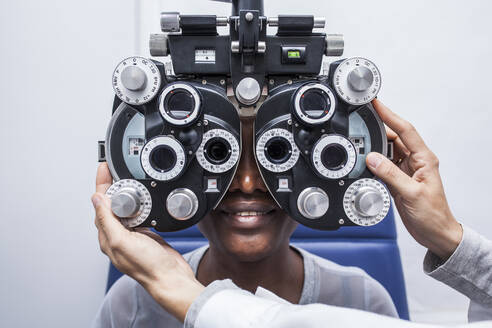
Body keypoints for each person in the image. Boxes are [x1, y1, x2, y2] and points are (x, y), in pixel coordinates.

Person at [91, 99, 492, 327]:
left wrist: (446, 235)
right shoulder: (130, 303)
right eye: (219, 157)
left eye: (274, 157)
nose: (247, 183)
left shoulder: (364, 299)